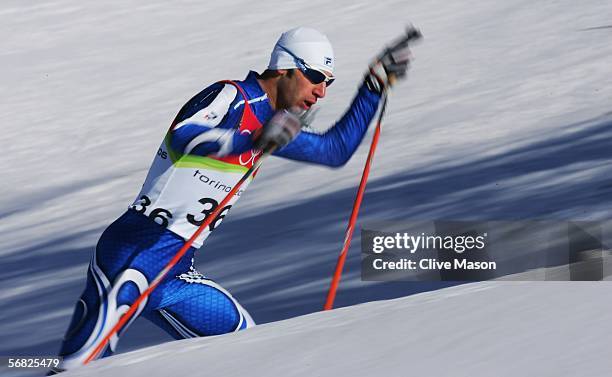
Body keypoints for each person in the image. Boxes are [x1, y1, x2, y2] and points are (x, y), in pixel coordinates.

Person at [51, 26, 412, 373]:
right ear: (285, 68)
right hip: (134, 253)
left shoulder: (275, 125)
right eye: (316, 77)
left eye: (328, 83)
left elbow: (333, 151)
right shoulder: (234, 96)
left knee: (249, 352)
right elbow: (182, 136)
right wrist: (247, 142)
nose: (321, 93)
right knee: (75, 369)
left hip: (176, 274)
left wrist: (373, 87)